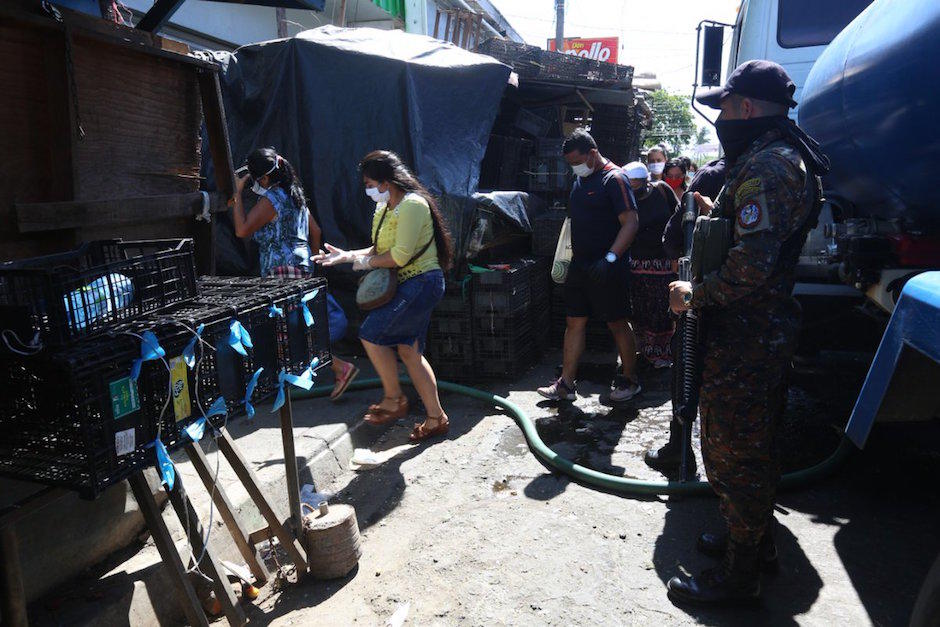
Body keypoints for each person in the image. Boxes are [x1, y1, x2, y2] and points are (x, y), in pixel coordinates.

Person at [664, 60, 830, 605]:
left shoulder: (771, 167)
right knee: (749, 448)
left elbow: (750, 268)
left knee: (735, 454)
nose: (720, 118)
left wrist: (696, 295)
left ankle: (740, 579)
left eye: (725, 107)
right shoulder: (771, 159)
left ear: (747, 108)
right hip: (755, 332)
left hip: (747, 336)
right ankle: (752, 544)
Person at [313, 150, 454, 442]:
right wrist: (347, 256)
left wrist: (365, 263)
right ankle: (436, 418)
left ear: (385, 181)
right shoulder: (385, 208)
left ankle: (393, 399)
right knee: (409, 351)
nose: (367, 189)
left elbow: (400, 256)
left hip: (421, 282)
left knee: (371, 333)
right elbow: (378, 249)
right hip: (406, 285)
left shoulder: (413, 205)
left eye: (368, 182)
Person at [233, 147, 359, 400]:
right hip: (299, 268)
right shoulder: (295, 196)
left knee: (287, 331)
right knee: (296, 329)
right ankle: (296, 380)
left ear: (265, 179)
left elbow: (242, 230)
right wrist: (310, 265)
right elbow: (316, 231)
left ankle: (339, 367)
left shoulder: (272, 200)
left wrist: (236, 194)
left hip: (281, 270)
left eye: (256, 180)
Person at [537, 129, 641, 403]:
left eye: (577, 161)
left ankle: (630, 380)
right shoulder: (580, 182)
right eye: (570, 163)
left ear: (592, 154)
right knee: (574, 322)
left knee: (617, 322)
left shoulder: (614, 179)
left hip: (609, 266)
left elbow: (630, 223)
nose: (574, 168)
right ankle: (567, 385)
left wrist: (610, 258)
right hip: (581, 265)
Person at [645, 155, 727, 474]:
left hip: (703, 301)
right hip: (750, 314)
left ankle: (681, 450)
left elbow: (672, 239)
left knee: (687, 373)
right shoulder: (786, 160)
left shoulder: (714, 175)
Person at [622, 161, 678, 369]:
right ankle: (644, 350)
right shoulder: (625, 196)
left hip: (662, 262)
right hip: (636, 263)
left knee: (661, 309)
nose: (633, 187)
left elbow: (678, 218)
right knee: (640, 309)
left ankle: (663, 352)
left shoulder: (662, 190)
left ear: (645, 181)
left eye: (636, 183)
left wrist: (676, 255)